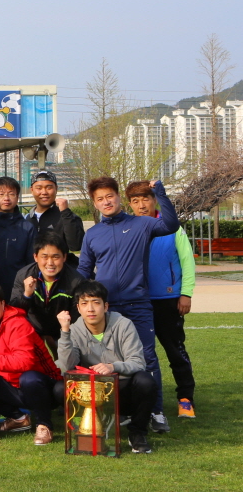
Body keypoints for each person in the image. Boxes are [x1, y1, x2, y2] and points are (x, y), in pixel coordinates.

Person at [77, 176, 178, 433]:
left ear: (118, 196)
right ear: (95, 203)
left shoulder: (142, 224)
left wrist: (162, 194)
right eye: (100, 199)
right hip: (107, 308)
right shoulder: (93, 235)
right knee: (109, 360)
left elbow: (170, 224)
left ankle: (156, 412)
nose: (106, 201)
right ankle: (120, 411)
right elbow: (84, 271)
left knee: (147, 357)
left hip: (138, 303)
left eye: (109, 196)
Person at [56, 280, 158, 454]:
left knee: (146, 381)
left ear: (105, 306)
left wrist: (113, 366)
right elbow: (66, 367)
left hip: (121, 387)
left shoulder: (123, 324)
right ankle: (85, 429)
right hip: (91, 390)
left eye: (96, 303)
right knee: (59, 388)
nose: (90, 309)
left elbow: (138, 362)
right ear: (78, 309)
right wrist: (65, 332)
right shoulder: (73, 330)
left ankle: (137, 433)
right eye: (84, 304)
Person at [126, 180, 197, 420]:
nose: (141, 205)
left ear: (154, 200)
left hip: (168, 300)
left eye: (145, 198)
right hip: (138, 301)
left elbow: (187, 261)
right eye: (135, 201)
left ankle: (185, 398)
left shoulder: (172, 227)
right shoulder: (129, 228)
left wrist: (185, 293)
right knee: (139, 355)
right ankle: (143, 403)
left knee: (175, 351)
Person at [0, 282, 64, 445]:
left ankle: (44, 425)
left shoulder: (18, 323)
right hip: (14, 387)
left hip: (45, 386)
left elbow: (25, 362)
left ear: (3, 304)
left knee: (29, 378)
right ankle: (19, 418)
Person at [9, 233, 82, 352]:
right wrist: (27, 295)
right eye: (44, 256)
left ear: (64, 257)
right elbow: (14, 313)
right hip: (33, 332)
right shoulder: (23, 275)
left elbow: (78, 316)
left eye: (55, 257)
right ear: (35, 257)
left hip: (63, 332)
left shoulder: (76, 281)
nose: (50, 263)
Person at [27, 171, 84, 269]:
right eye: (39, 188)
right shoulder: (27, 219)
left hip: (62, 274)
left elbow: (76, 246)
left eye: (49, 187)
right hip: (35, 275)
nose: (44, 192)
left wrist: (66, 213)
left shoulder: (67, 216)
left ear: (56, 189)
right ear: (32, 190)